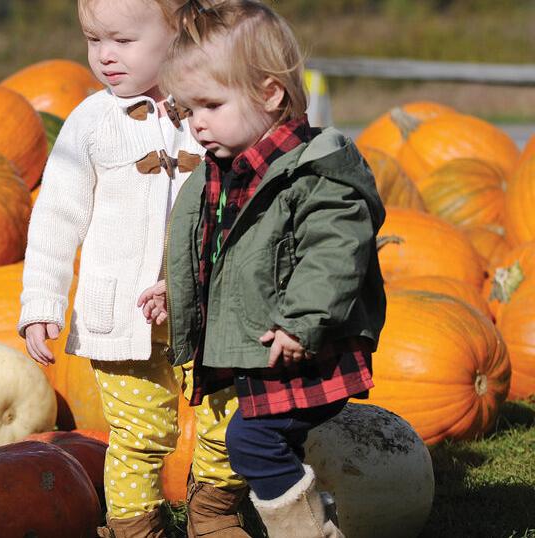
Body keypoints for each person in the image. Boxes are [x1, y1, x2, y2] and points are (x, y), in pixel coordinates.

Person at [138, 1, 386, 536]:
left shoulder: (313, 171)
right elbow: (219, 253)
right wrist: (175, 290)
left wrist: (303, 320)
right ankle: (313, 516)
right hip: (274, 345)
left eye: (211, 104)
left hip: (306, 344)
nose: (197, 123)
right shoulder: (226, 171)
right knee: (268, 442)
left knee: (251, 440)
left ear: (270, 94)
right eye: (187, 109)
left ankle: (305, 530)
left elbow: (335, 251)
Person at [18, 1, 255, 536]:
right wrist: (41, 303)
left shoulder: (208, 110)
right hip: (123, 316)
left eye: (123, 41)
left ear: (177, 34)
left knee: (228, 416)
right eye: (94, 40)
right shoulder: (91, 122)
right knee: (139, 433)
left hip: (208, 308)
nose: (105, 55)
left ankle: (214, 513)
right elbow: (55, 217)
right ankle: (135, 527)